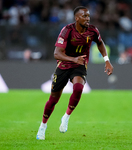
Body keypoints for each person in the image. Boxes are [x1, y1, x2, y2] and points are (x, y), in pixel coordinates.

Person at [36, 6, 113, 140]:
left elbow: (100, 43)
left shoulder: (93, 30)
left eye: (88, 16)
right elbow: (57, 53)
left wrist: (106, 60)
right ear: (77, 18)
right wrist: (73, 59)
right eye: (84, 16)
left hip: (80, 66)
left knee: (78, 88)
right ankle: (43, 126)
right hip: (64, 65)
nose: (87, 18)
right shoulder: (67, 31)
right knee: (53, 99)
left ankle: (66, 117)